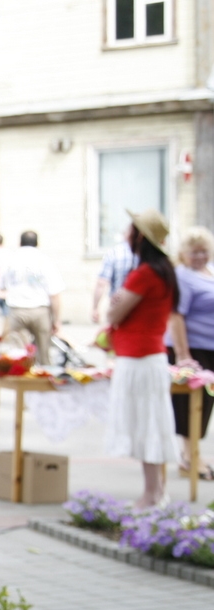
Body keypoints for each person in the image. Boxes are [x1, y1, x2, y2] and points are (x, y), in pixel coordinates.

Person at [106, 209, 180, 508]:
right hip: (149, 356)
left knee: (145, 424)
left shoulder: (145, 274)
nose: (126, 234)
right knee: (152, 422)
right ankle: (157, 491)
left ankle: (151, 493)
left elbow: (114, 313)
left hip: (138, 358)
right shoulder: (163, 270)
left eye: (131, 229)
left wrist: (115, 304)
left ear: (141, 237)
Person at [167, 226, 214, 480]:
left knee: (206, 405)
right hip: (192, 348)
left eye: (203, 251)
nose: (199, 256)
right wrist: (183, 354)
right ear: (183, 254)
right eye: (193, 252)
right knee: (193, 404)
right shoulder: (183, 276)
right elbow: (176, 315)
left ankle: (193, 454)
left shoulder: (209, 273)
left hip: (209, 347)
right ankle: (189, 457)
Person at [0, 231, 64, 363]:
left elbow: (1, 285)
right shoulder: (44, 260)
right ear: (37, 243)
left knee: (18, 353)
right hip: (40, 310)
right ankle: (44, 377)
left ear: (20, 243)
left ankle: (22, 379)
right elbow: (55, 293)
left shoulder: (10, 260)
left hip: (16, 310)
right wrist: (57, 320)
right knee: (44, 351)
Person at [94, 229, 139, 325]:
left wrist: (95, 308)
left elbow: (101, 283)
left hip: (118, 310)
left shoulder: (114, 252)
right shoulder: (150, 259)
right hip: (141, 312)